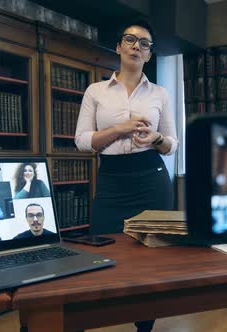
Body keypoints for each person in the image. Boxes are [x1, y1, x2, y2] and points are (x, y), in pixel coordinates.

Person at [74, 20, 177, 332]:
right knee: (101, 250)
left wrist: (154, 138)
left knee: (151, 260)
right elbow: (81, 141)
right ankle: (93, 317)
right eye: (130, 40)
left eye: (144, 43)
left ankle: (144, 326)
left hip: (151, 179)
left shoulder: (160, 93)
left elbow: (171, 145)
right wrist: (118, 130)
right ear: (118, 47)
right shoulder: (95, 91)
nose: (136, 46)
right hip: (112, 180)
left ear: (149, 54)